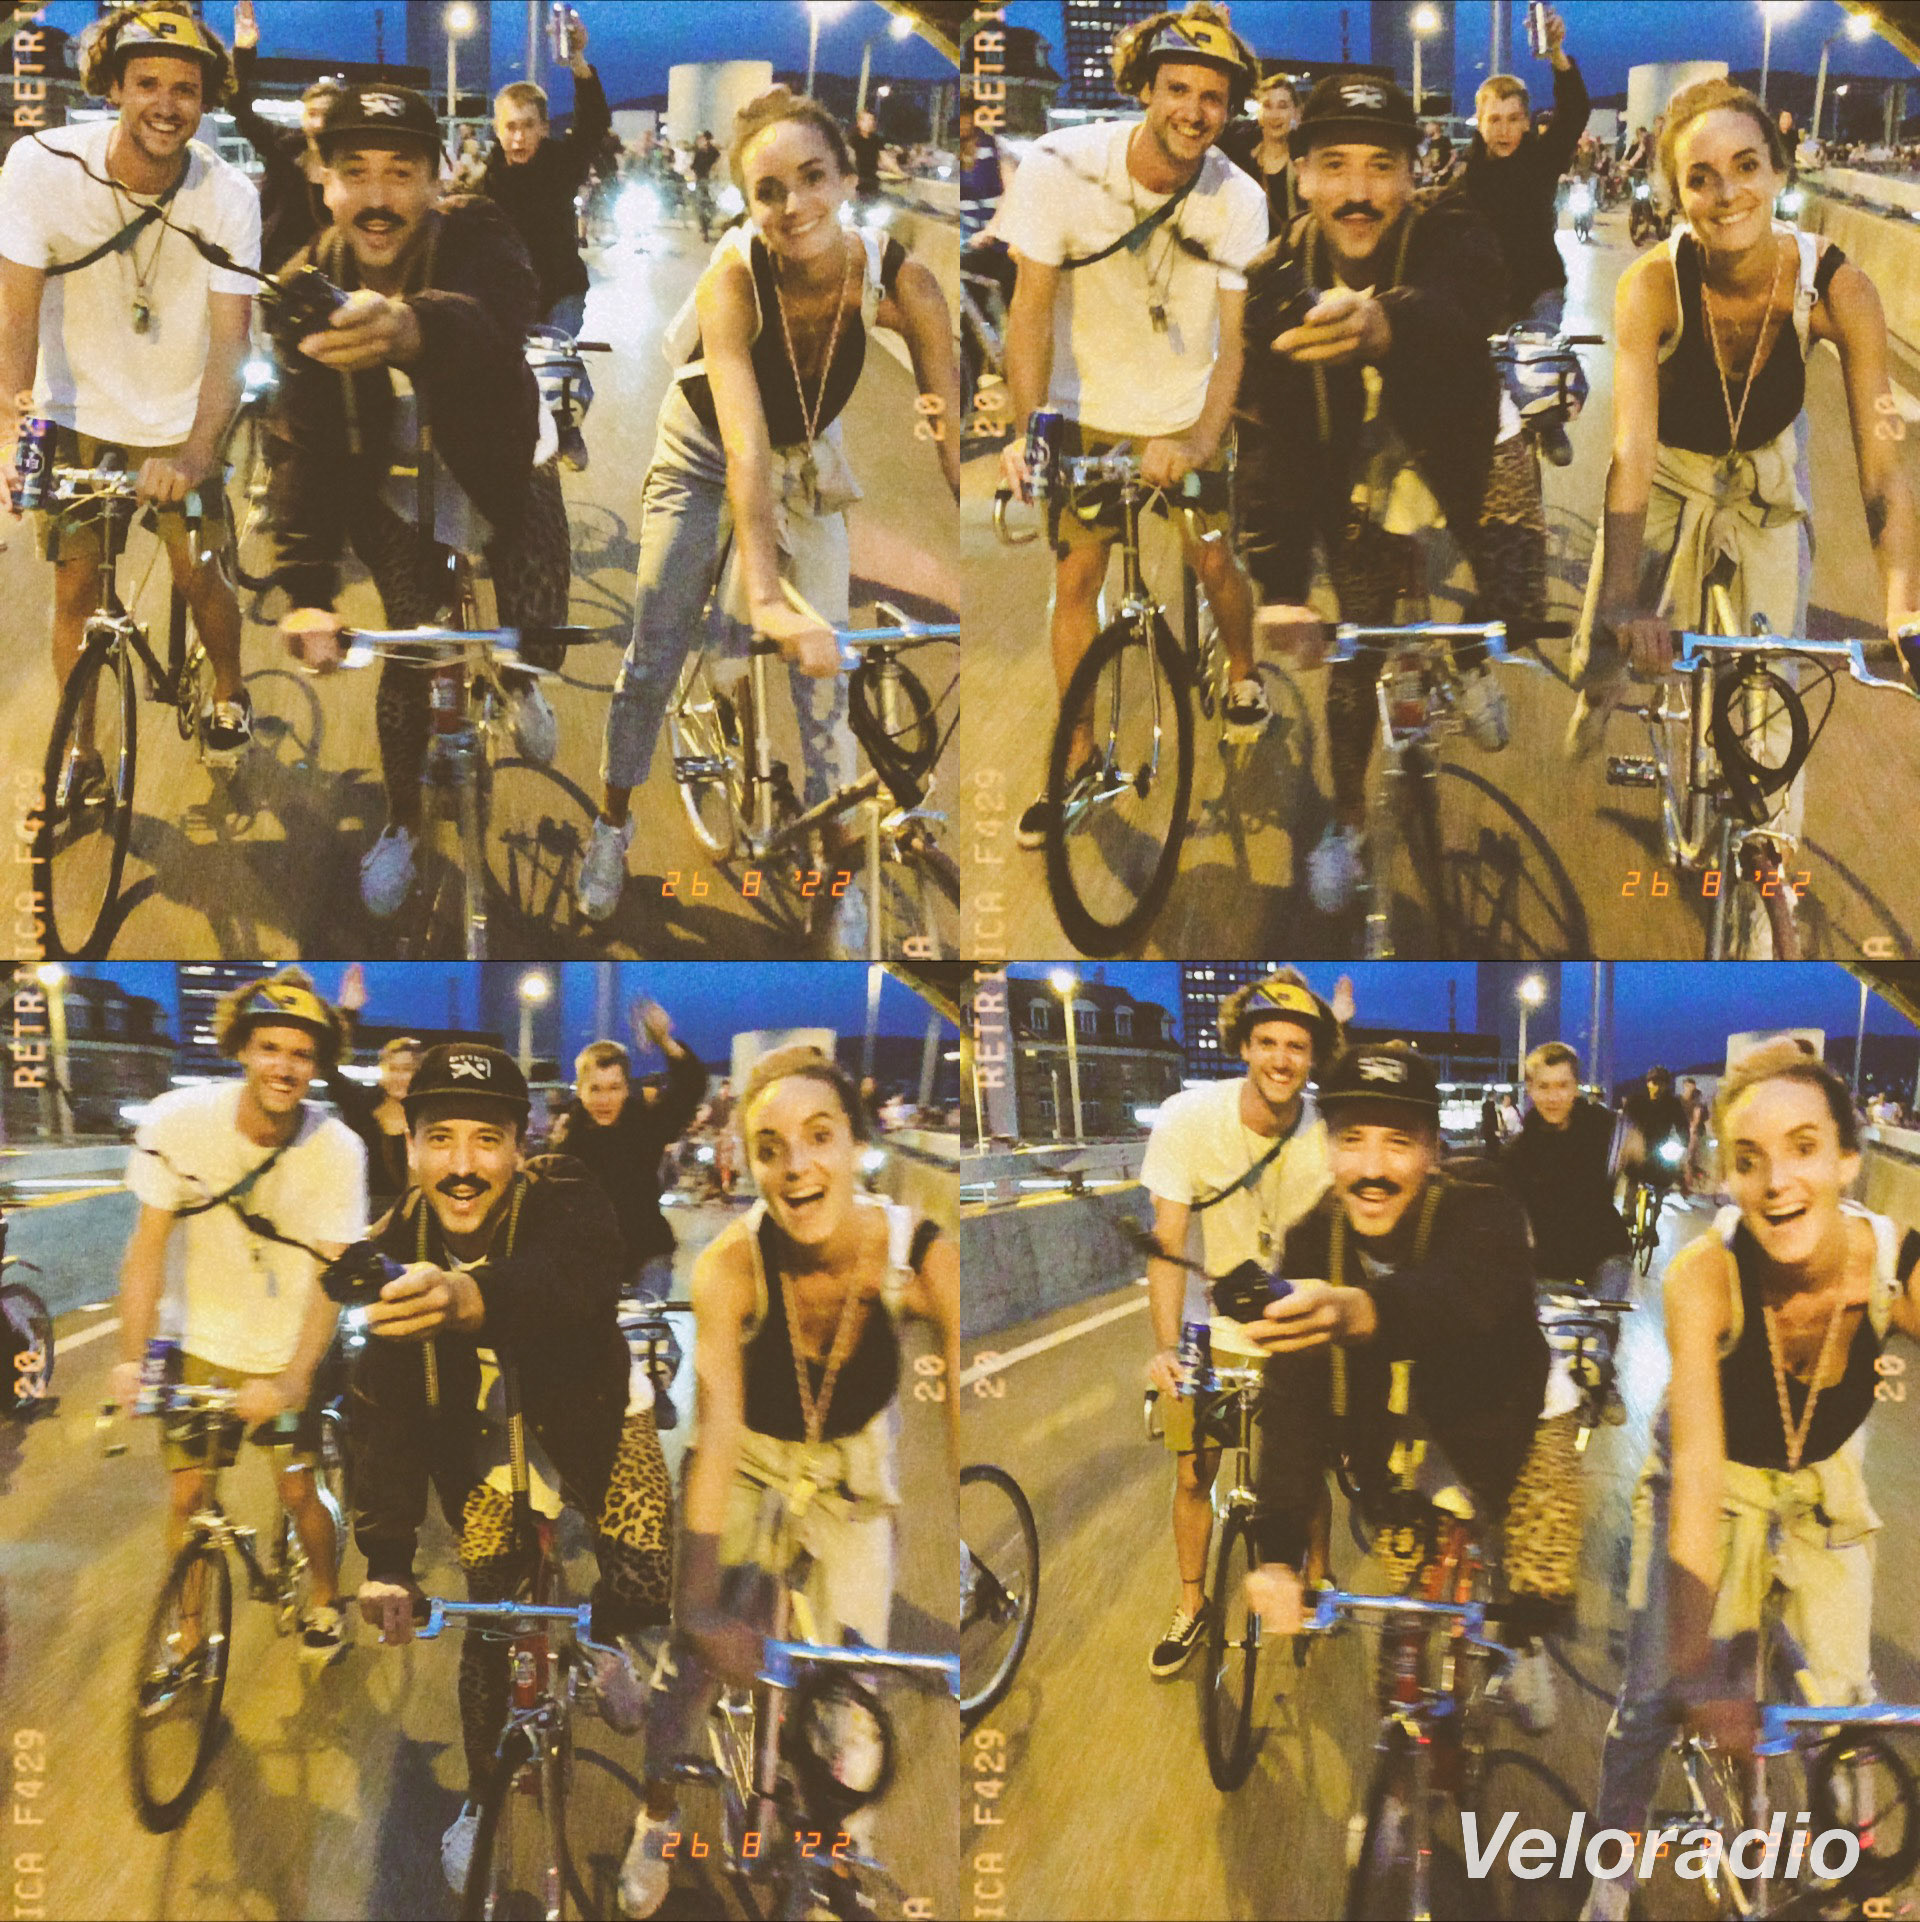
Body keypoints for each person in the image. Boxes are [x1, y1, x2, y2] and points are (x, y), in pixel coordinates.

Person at [576, 88, 961, 923]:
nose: (794, 205)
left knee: (828, 683)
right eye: (769, 190)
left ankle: (838, 874)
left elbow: (949, 431)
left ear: (849, 178)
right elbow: (744, 450)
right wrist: (766, 597)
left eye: (813, 177)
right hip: (703, 455)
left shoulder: (905, 279)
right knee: (655, 650)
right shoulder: (732, 281)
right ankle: (611, 824)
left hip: (808, 460)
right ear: (747, 204)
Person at [1566, 78, 1920, 952]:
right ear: (1673, 196)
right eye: (1701, 177)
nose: (1728, 194)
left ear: (1779, 171)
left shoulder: (1840, 288)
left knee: (1773, 694)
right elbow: (1631, 455)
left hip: (1766, 479)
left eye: (1747, 165)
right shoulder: (1652, 285)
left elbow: (1882, 467)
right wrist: (1623, 605)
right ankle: (1598, 691)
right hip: (1671, 473)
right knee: (1606, 641)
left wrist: (1902, 606)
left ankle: (1766, 885)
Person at [617, 1045, 958, 1918]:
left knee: (854, 1702)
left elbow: (968, 1383)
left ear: (858, 1146)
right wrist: (700, 1611)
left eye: (820, 1136)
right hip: (752, 1461)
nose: (797, 1165)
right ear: (751, 1164)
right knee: (685, 1680)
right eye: (771, 1148)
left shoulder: (917, 1256)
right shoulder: (729, 1268)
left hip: (848, 1472)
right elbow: (717, 1437)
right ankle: (656, 1818)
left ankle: (839, 1856)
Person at [1581, 1042, 1920, 1921]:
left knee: (1845, 1709)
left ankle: (1853, 1862)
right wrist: (1700, 1670)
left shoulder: (1896, 1267)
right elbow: (1696, 1475)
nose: (1777, 1181)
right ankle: (1614, 1865)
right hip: (1717, 1474)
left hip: (1822, 1482)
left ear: (1850, 1160)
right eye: (1748, 1158)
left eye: (1804, 1147)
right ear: (1725, 1177)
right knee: (1653, 1699)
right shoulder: (1704, 1277)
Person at [345, 1042, 672, 1894]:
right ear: (410, 1149)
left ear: (520, 1148)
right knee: (490, 1631)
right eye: (440, 1139)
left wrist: (468, 1297)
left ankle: (604, 1642)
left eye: (486, 1140)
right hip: (487, 1453)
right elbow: (382, 1415)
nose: (462, 1165)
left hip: (595, 1422)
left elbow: (576, 1277)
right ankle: (483, 1799)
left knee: (646, 1578)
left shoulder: (566, 1192)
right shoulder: (391, 1244)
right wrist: (387, 1560)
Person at [1241, 74, 1542, 915]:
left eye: (1382, 166)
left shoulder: (1453, 228)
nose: (1359, 191)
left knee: (1520, 604)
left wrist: (1386, 322)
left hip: (1468, 445)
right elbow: (1268, 447)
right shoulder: (1271, 280)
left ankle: (1470, 656)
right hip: (1354, 474)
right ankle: (1346, 823)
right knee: (1358, 651)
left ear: (1414, 175)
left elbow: (1471, 295)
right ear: (1301, 174)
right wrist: (1283, 588)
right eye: (1334, 165)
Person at [269, 84, 570, 919]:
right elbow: (301, 444)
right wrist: (307, 592)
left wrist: (411, 327)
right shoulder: (305, 285)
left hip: (502, 459)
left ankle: (522, 681)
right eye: (355, 171)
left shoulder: (479, 229)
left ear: (437, 181)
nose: (377, 196)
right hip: (391, 485)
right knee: (410, 655)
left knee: (541, 626)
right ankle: (403, 823)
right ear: (324, 182)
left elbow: (503, 311)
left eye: (401, 172)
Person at [995, 3, 1270, 850]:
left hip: (1187, 412)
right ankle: (1078, 754)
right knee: (1077, 580)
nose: (1194, 110)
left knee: (1212, 556)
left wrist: (1197, 441)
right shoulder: (1060, 165)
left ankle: (1244, 671)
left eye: (1213, 97)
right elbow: (1029, 311)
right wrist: (1029, 431)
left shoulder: (1241, 198)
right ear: (1145, 88)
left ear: (1230, 109)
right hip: (1085, 415)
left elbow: (1233, 345)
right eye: (1178, 89)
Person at [1230, 1042, 1563, 1726]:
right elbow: (1294, 1402)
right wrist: (1279, 1553)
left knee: (1540, 1585)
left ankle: (1527, 1648)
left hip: (1511, 1415)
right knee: (1410, 1597)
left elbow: (1465, 1295)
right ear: (1328, 1148)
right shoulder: (1311, 1241)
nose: (1373, 1169)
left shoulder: (1484, 1208)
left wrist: (1362, 1311)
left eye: (1399, 1142)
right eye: (1352, 1139)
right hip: (1398, 1432)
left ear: (1433, 1151)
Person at [0, 0, 257, 768]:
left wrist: (197, 454)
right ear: (112, 86)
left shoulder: (229, 196)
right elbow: (15, 316)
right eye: (147, 83)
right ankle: (80, 754)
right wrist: (15, 433)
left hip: (180, 420)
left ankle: (230, 689)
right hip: (71, 414)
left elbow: (231, 343)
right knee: (74, 591)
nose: (166, 105)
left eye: (185, 89)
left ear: (205, 101)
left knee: (198, 571)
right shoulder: (39, 167)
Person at [110, 968, 366, 1664]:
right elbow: (145, 1253)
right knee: (188, 1497)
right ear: (243, 1049)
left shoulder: (338, 1151)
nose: (285, 1066)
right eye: (270, 1047)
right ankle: (190, 1634)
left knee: (297, 1486)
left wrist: (293, 1379)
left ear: (318, 1065)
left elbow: (332, 1279)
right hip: (196, 1339)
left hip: (288, 1344)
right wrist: (132, 1359)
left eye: (302, 1054)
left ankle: (324, 1596)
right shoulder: (177, 1123)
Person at [1137, 970, 1340, 1673]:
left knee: (1305, 1470)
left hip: (1297, 1326)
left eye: (1297, 1046)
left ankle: (1317, 1579)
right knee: (1195, 1472)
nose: (1282, 1059)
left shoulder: (1328, 1134)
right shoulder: (1188, 1119)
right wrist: (1167, 1348)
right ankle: (1192, 1603)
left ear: (1313, 1056)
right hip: (1211, 1332)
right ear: (1243, 1046)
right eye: (1267, 1042)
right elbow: (1167, 1243)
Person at [549, 998, 708, 1303]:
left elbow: (690, 1088)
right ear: (580, 1091)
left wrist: (665, 1041)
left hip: (647, 1254)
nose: (605, 1099)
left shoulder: (645, 1126)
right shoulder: (568, 1143)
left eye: (614, 1088)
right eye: (595, 1089)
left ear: (626, 1088)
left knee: (645, 1327)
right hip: (591, 1262)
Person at [1457, 9, 1589, 338]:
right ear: (1479, 123)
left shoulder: (1541, 159)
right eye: (1494, 119)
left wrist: (1556, 53)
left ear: (1527, 122)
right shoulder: (1466, 178)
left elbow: (1575, 111)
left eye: (1513, 119)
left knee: (1538, 367)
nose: (1504, 130)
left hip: (1540, 292)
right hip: (1485, 298)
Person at [481, 9, 609, 346]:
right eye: (510, 127)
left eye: (528, 126)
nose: (519, 137)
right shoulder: (484, 183)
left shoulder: (561, 164)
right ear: (497, 129)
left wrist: (577, 59)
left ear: (544, 128)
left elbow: (593, 122)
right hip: (508, 302)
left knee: (554, 368)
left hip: (561, 295)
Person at [1503, 1041, 1634, 1299]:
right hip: (1548, 1267)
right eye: (1543, 1086)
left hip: (1604, 1256)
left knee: (1599, 1322)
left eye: (1562, 1085)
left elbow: (1649, 1161)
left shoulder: (1605, 1129)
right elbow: (1514, 1218)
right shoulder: (1517, 1152)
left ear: (1576, 1087)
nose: (1553, 1097)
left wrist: (1643, 1156)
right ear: (1530, 1089)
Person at [228, 0, 335, 273]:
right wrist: (243, 52)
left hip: (330, 273)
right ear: (303, 116)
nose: (319, 123)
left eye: (327, 114)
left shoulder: (351, 165)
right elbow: (239, 107)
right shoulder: (282, 147)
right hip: (273, 269)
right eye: (312, 113)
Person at [323, 962, 417, 1217]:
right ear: (382, 1071)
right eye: (393, 1068)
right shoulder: (361, 1106)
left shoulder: (428, 1117)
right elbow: (326, 1065)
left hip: (412, 1217)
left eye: (407, 1069)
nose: (400, 1077)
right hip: (360, 1215)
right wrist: (347, 1013)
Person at [1220, 69, 1302, 231]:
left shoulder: (1304, 165)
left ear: (1295, 112)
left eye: (1283, 106)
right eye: (1268, 106)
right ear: (1259, 112)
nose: (1275, 115)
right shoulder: (1240, 163)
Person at [688, 128, 720, 242]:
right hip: (701, 181)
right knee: (700, 206)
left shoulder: (714, 152)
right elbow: (693, 166)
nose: (704, 142)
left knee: (713, 207)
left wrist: (715, 172)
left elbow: (718, 164)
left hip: (712, 183)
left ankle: (707, 224)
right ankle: (704, 230)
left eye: (705, 139)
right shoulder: (699, 153)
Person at [850, 107, 885, 201]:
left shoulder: (876, 139)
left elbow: (885, 159)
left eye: (871, 120)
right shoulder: (853, 139)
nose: (869, 123)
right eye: (866, 120)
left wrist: (900, 173)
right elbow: (849, 158)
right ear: (859, 122)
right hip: (856, 181)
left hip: (872, 181)